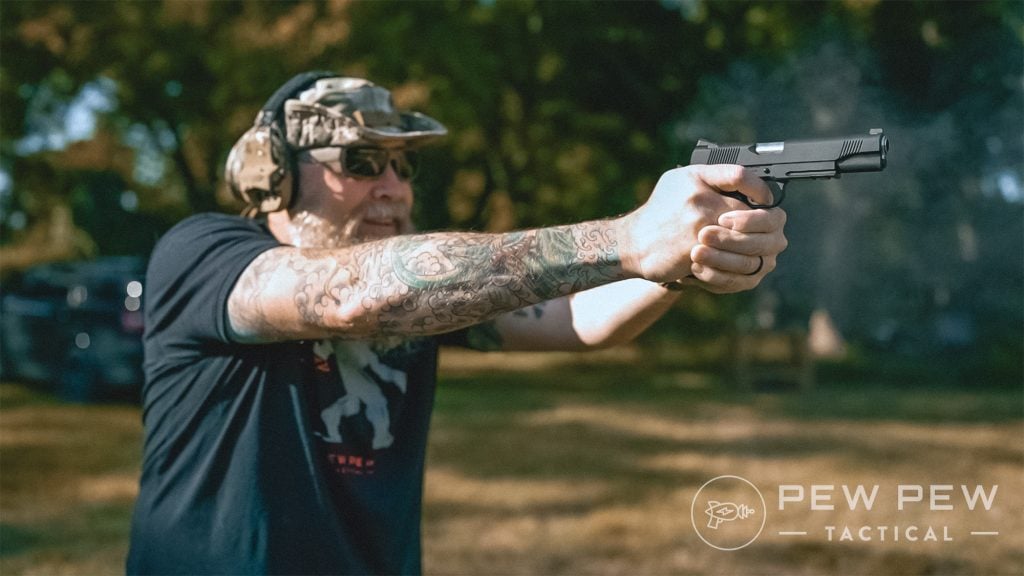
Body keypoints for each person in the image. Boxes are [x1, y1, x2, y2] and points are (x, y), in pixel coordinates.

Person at [126, 72, 787, 575]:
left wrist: (683, 259)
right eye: (359, 162)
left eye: (403, 164)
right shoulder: (204, 254)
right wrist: (631, 237)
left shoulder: (426, 298)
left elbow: (578, 318)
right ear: (274, 177)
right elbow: (352, 294)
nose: (392, 185)